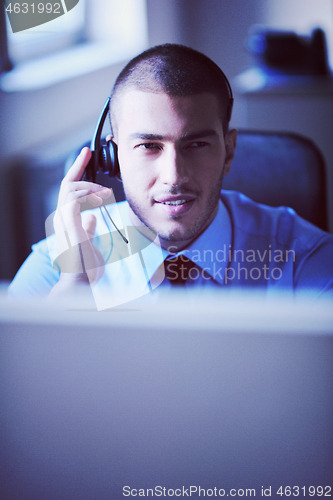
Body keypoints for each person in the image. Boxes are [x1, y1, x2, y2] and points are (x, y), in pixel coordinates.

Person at [8, 44, 333, 308]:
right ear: (113, 157)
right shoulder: (57, 264)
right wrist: (73, 288)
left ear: (229, 152)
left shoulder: (303, 257)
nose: (174, 176)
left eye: (196, 144)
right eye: (149, 146)